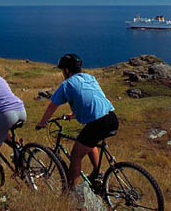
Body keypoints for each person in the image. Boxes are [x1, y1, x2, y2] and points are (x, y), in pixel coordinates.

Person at [36, 53, 118, 189]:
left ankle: (70, 191)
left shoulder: (66, 84)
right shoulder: (90, 78)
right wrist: (73, 115)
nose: (63, 73)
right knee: (89, 141)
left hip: (98, 123)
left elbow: (52, 106)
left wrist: (42, 122)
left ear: (67, 70)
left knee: (75, 156)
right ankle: (98, 174)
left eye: (63, 70)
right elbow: (91, 99)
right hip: (111, 117)